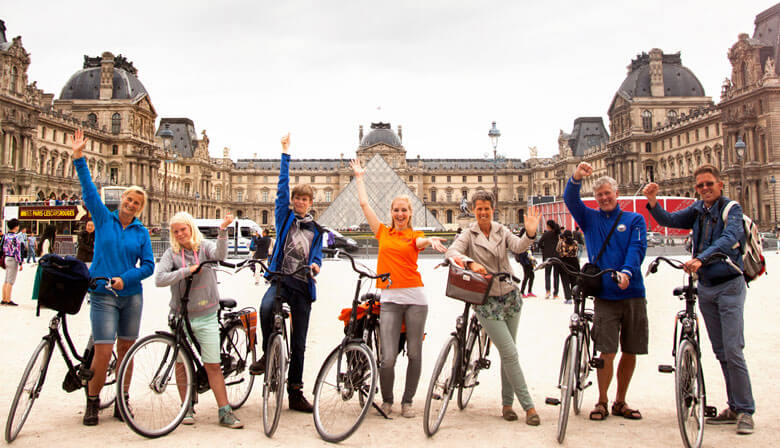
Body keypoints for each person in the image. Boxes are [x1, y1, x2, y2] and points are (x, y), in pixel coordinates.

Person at [643, 164, 755, 435]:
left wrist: (701, 258)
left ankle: (746, 411)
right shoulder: (697, 210)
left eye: (709, 184)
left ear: (720, 185)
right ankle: (735, 406)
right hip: (705, 286)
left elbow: (729, 239)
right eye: (700, 185)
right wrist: (653, 202)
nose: (704, 188)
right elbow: (669, 220)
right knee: (720, 351)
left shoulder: (732, 209)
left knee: (733, 348)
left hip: (729, 284)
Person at [71, 129, 155, 426]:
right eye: (129, 200)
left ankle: (122, 399)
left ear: (140, 208)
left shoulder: (141, 232)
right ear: (122, 200)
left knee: (126, 352)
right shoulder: (103, 218)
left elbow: (148, 266)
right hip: (103, 295)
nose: (131, 204)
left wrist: (127, 278)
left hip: (130, 297)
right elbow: (89, 190)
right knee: (104, 352)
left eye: (136, 203)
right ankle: (92, 402)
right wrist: (79, 157)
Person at [351, 158, 447, 418]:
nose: (400, 214)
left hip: (416, 298)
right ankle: (388, 400)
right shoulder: (382, 232)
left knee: (414, 353)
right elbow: (363, 204)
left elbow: (421, 243)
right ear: (391, 212)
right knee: (388, 357)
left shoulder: (414, 235)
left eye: (404, 210)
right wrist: (359, 177)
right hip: (390, 300)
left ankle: (408, 401)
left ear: (410, 213)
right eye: (396, 210)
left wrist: (432, 240)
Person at [446, 192, 542, 426]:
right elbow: (451, 252)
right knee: (510, 352)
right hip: (486, 300)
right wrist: (469, 262)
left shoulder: (501, 230)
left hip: (510, 296)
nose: (483, 213)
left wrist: (529, 233)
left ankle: (507, 405)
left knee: (508, 353)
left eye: (487, 208)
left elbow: (519, 247)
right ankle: (529, 407)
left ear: (493, 208)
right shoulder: (468, 233)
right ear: (473, 210)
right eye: (479, 209)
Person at [564, 162, 647, 422]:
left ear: (617, 194)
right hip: (605, 295)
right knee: (606, 352)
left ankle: (620, 401)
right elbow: (570, 199)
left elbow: (637, 249)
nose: (603, 198)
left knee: (630, 350)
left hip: (632, 292)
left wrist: (627, 272)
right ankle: (601, 400)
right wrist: (576, 177)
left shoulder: (635, 219)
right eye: (599, 195)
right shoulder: (589, 218)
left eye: (607, 193)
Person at [248, 133, 324, 413]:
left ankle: (295, 392)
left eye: (305, 199)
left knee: (300, 343)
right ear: (292, 201)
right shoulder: (284, 216)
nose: (301, 202)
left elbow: (318, 255)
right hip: (280, 281)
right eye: (297, 198)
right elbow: (281, 188)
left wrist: (316, 265)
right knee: (266, 307)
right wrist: (285, 154)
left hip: (303, 284)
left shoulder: (317, 230)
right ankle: (268, 353)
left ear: (310, 202)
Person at [155, 211, 243, 428]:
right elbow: (159, 279)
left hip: (206, 315)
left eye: (183, 229)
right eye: (176, 231)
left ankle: (224, 410)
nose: (180, 234)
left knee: (212, 364)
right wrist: (185, 271)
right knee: (181, 364)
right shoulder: (170, 254)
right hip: (180, 315)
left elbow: (221, 256)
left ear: (191, 228)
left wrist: (223, 230)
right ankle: (187, 407)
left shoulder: (204, 248)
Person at [2, 218, 23, 306]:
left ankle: (4, 298)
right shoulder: (16, 237)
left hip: (6, 257)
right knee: (11, 280)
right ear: (16, 227)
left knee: (6, 279)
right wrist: (20, 262)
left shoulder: (5, 236)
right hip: (13, 259)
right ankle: (8, 299)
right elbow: (17, 250)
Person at [538, 220, 561, 299]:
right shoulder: (557, 234)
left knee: (547, 274)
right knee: (556, 275)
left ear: (548, 226)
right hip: (557, 257)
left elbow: (539, 244)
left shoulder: (546, 234)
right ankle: (555, 293)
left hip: (547, 257)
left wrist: (544, 249)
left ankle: (548, 291)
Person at [556, 229, 580, 304]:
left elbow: (557, 250)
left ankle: (568, 298)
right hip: (574, 262)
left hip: (564, 262)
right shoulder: (575, 242)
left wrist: (560, 240)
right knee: (574, 280)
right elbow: (577, 250)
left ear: (564, 237)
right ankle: (576, 296)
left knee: (565, 281)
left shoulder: (562, 243)